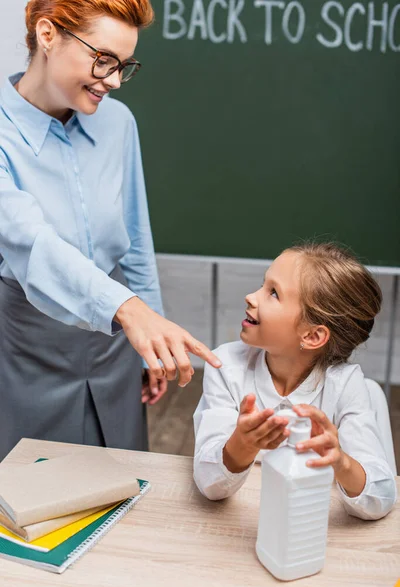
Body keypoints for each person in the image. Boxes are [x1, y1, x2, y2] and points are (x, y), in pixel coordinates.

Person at [0, 0, 221, 461]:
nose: (115, 80)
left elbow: (135, 242)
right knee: (32, 496)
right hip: (25, 349)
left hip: (116, 345)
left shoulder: (118, 123)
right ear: (47, 35)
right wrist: (131, 312)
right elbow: (31, 242)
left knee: (119, 478)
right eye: (103, 60)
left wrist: (149, 341)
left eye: (124, 66)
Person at [193, 242, 397, 520]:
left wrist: (341, 462)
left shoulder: (346, 385)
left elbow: (381, 498)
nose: (251, 297)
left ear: (312, 336)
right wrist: (242, 444)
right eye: (262, 285)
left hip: (308, 522)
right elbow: (209, 485)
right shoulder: (225, 366)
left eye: (273, 293)